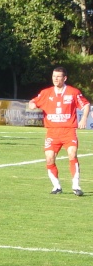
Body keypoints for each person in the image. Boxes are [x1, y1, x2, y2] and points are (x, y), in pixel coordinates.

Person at [28, 66, 90, 196]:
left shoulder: (73, 92)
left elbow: (86, 104)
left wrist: (84, 118)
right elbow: (33, 101)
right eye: (53, 76)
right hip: (52, 132)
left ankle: (76, 186)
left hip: (68, 131)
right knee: (49, 158)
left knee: (72, 154)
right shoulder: (46, 92)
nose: (55, 79)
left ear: (65, 78)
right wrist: (32, 105)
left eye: (58, 76)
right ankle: (56, 186)